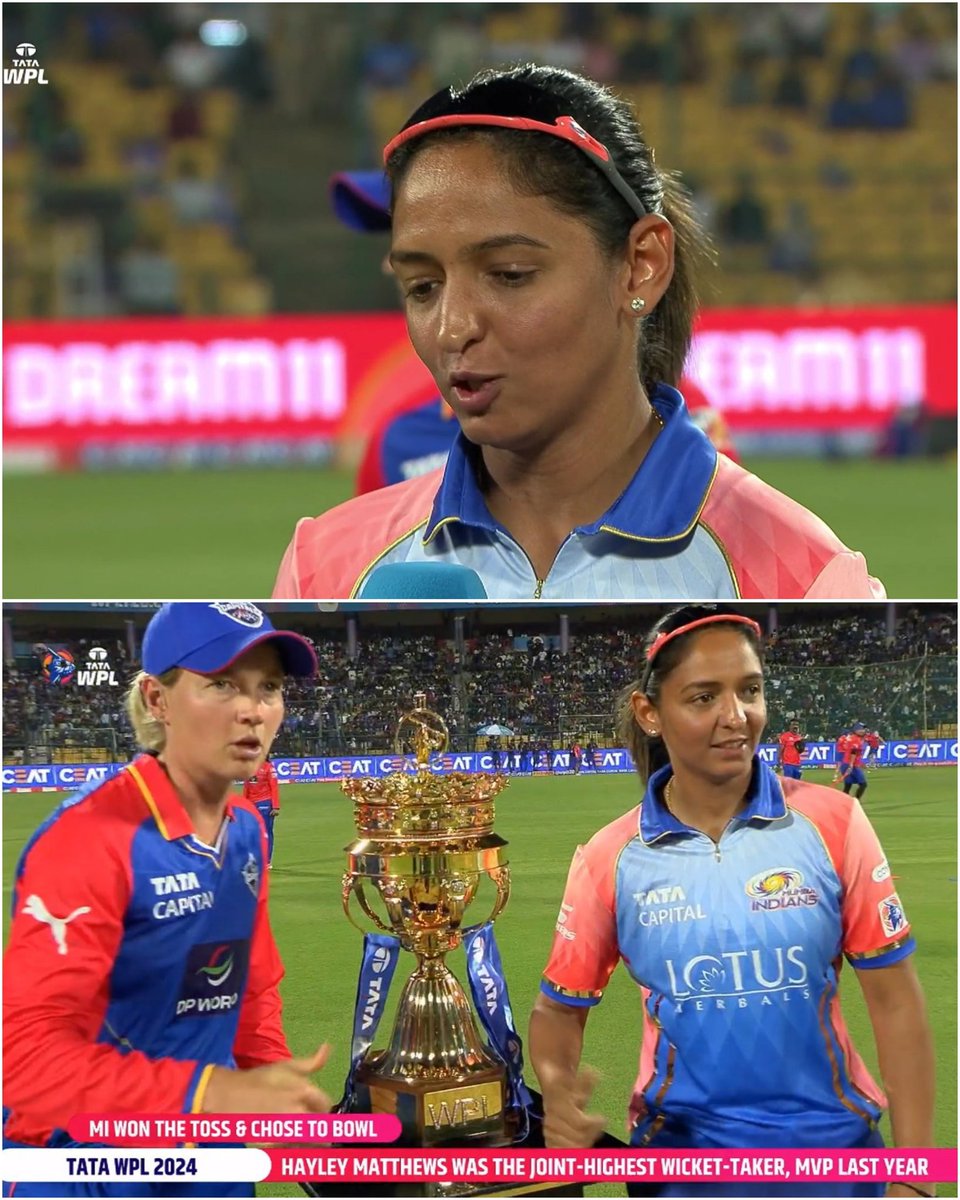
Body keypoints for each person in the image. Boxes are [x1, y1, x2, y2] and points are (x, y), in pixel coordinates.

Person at [274, 65, 883, 600]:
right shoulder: (326, 567)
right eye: (423, 288)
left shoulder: (803, 576)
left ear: (640, 265)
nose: (452, 328)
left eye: (510, 275)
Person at [529, 605, 934, 1198]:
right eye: (703, 697)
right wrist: (558, 1090)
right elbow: (559, 1010)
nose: (736, 716)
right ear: (650, 713)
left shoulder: (833, 822)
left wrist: (916, 1177)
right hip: (682, 1165)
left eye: (750, 690)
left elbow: (895, 999)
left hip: (833, 1162)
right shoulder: (609, 857)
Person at [3, 602, 333, 1198]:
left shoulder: (245, 829)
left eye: (270, 688)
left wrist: (282, 1102)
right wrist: (212, 1094)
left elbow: (250, 988)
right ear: (158, 701)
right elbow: (26, 1067)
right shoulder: (90, 839)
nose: (252, 711)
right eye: (222, 685)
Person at [329, 169, 739, 496]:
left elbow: (726, 558)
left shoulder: (671, 412)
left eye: (510, 272)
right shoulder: (397, 442)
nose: (391, 265)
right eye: (402, 243)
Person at [242, 754, 280, 868]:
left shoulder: (269, 767)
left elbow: (274, 786)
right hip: (251, 804)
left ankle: (266, 860)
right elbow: (246, 787)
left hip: (265, 803)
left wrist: (275, 806)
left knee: (266, 832)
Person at [839, 722, 870, 799]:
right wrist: (851, 765)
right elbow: (853, 752)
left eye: (864, 729)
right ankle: (856, 801)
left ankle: (843, 802)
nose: (863, 731)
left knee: (848, 785)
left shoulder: (852, 738)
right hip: (851, 765)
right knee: (863, 784)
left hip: (846, 763)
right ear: (856, 730)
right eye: (861, 729)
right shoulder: (855, 739)